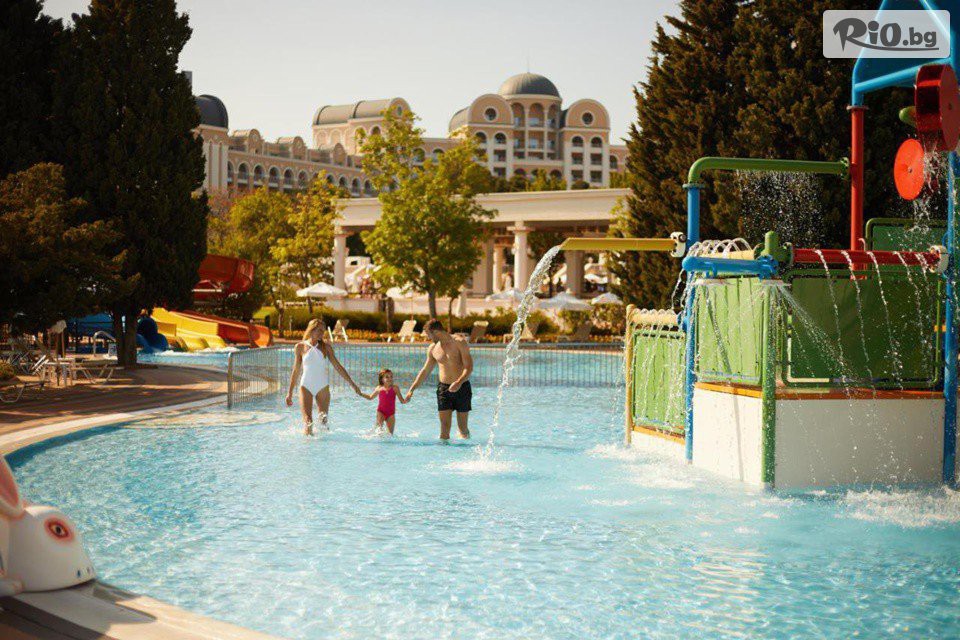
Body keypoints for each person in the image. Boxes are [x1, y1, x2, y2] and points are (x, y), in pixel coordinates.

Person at [285, 318, 361, 435]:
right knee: (308, 421)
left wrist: (352, 384)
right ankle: (308, 445)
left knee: (323, 421)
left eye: (323, 331)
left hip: (322, 387)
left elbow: (338, 367)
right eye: (319, 330)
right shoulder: (300, 347)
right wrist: (289, 392)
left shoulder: (326, 348)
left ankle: (325, 445)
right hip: (305, 386)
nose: (322, 333)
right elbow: (296, 370)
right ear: (311, 330)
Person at [406, 319, 473, 440]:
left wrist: (459, 382)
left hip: (462, 387)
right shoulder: (433, 348)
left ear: (436, 332)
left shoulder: (459, 342)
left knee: (462, 429)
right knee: (444, 429)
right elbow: (425, 371)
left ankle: (465, 449)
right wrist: (412, 389)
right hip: (444, 390)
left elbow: (469, 367)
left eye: (429, 334)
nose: (428, 338)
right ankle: (444, 451)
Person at [360, 368, 407, 435]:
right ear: (382, 379)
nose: (390, 378)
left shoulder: (395, 388)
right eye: (387, 377)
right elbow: (370, 397)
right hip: (381, 412)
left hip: (391, 414)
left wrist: (408, 397)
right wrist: (360, 394)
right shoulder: (379, 388)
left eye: (391, 376)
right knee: (378, 432)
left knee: (390, 435)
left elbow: (402, 401)